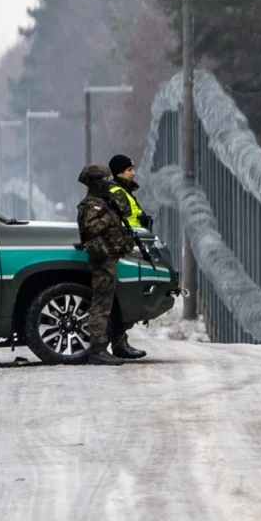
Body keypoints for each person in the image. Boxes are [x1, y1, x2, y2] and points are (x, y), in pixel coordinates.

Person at [75, 165, 136, 366]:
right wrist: (110, 216)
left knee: (108, 303)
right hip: (102, 259)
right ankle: (98, 349)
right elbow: (90, 229)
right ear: (94, 181)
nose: (107, 182)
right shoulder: (91, 205)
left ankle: (110, 345)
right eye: (104, 178)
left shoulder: (104, 201)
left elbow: (125, 210)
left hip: (111, 257)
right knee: (101, 304)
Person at [105, 154, 149, 360]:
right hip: (126, 250)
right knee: (121, 296)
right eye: (130, 169)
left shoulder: (124, 192)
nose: (134, 173)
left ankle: (119, 341)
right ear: (120, 172)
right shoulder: (118, 193)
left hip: (130, 247)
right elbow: (119, 223)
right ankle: (117, 343)